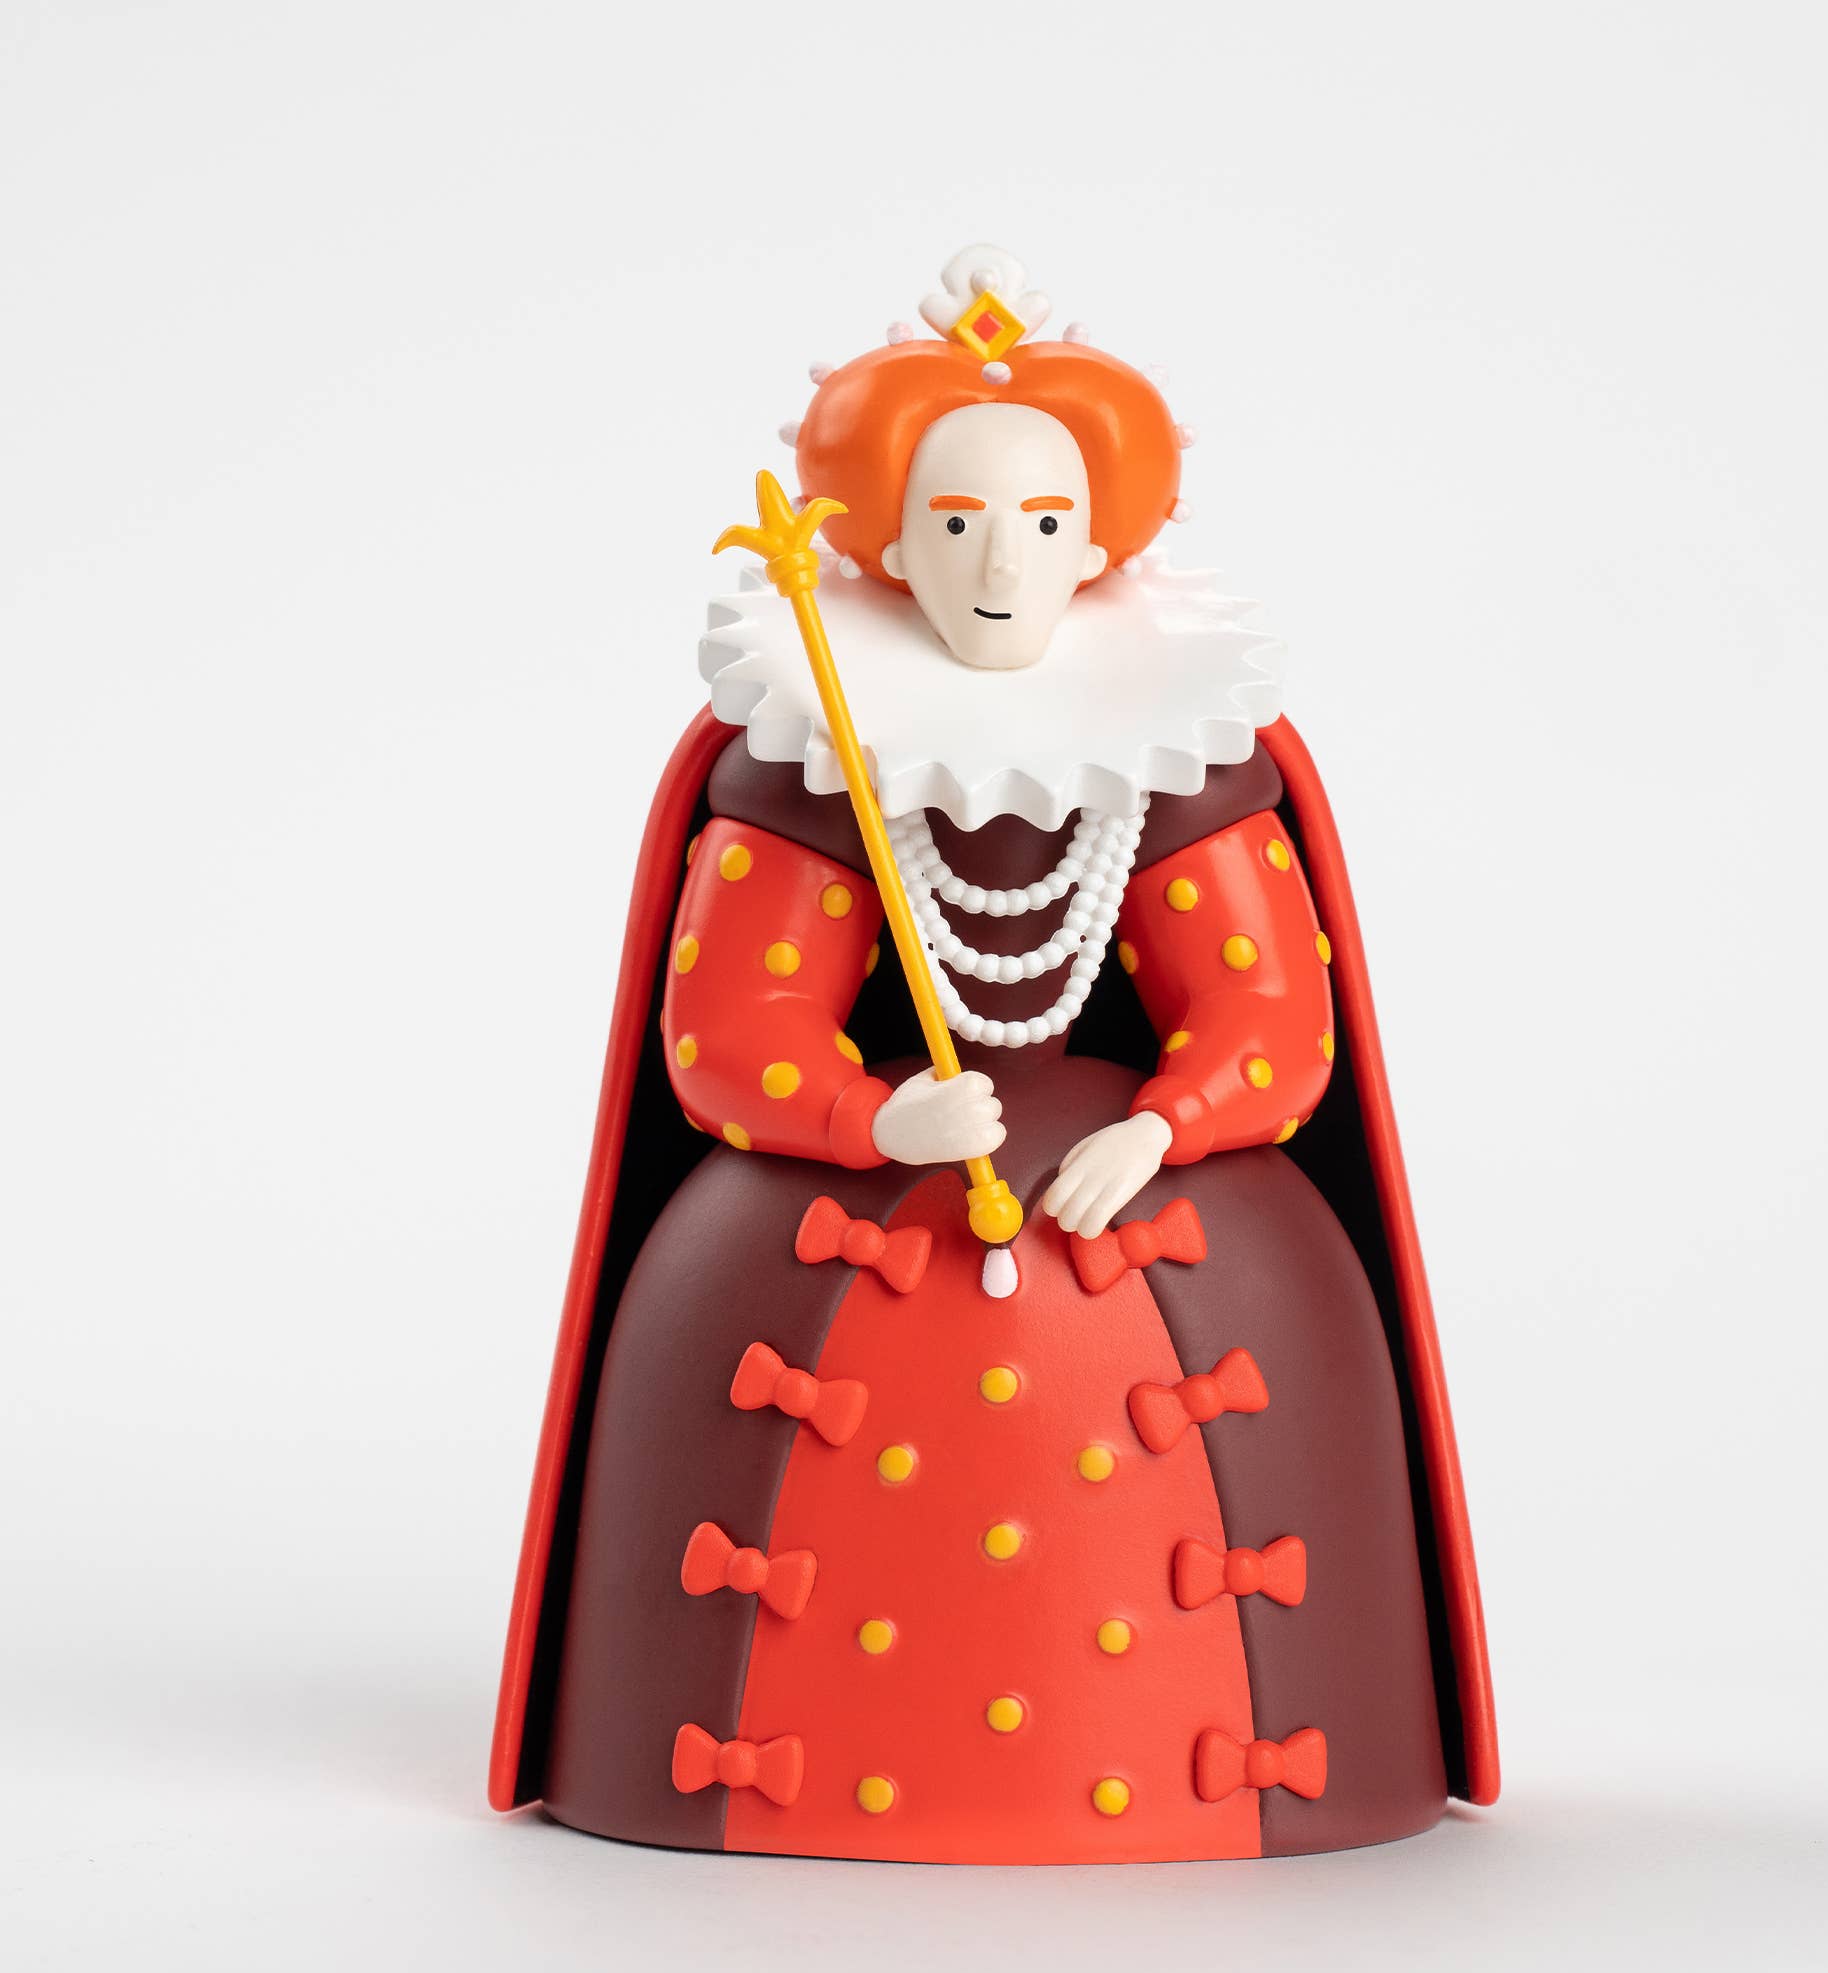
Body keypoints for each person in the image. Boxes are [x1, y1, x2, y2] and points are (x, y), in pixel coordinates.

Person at [490, 245, 1497, 1863]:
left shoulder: (1177, 746)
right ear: (890, 545)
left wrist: (1165, 1125)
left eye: (1040, 524)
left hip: (1165, 1226)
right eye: (956, 525)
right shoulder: (808, 750)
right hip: (822, 1230)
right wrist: (868, 1116)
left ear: (1098, 544)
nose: (1000, 562)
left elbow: (1271, 1025)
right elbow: (726, 1033)